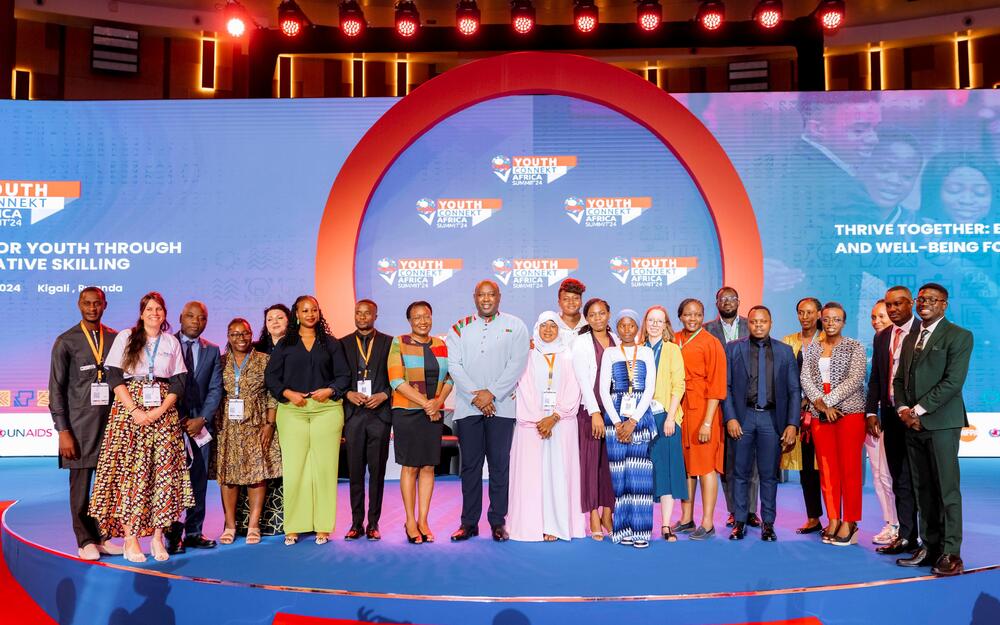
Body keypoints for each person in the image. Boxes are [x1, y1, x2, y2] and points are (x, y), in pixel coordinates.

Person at [88, 292, 192, 563]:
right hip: (129, 414)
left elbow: (179, 382)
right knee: (130, 475)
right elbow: (113, 375)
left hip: (163, 415)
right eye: (149, 309)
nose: (154, 313)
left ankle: (157, 538)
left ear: (165, 314)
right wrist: (134, 410)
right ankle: (130, 539)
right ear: (142, 312)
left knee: (162, 475)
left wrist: (159, 410)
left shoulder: (170, 342)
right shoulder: (126, 337)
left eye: (159, 309)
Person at [893, 283, 973, 576]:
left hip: (941, 423)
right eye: (921, 298)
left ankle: (951, 553)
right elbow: (899, 379)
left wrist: (918, 410)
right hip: (911, 424)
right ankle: (929, 546)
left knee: (946, 490)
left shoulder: (960, 336)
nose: (924, 302)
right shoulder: (911, 336)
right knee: (922, 488)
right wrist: (903, 410)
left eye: (931, 299)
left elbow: (953, 382)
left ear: (944, 304)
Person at [265, 295, 351, 545]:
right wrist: (288, 393)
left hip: (326, 410)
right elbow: (272, 378)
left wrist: (330, 390)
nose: (310, 314)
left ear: (319, 313)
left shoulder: (331, 343)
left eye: (314, 309)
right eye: (305, 310)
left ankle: (323, 526)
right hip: (293, 411)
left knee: (324, 469)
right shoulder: (285, 344)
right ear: (296, 314)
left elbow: (344, 376)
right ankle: (294, 526)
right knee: (296, 469)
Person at [448, 280, 529, 542]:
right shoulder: (459, 328)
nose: (486, 299)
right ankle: (468, 523)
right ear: (474, 297)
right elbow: (454, 366)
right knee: (470, 467)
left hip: (502, 407)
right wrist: (478, 396)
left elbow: (517, 364)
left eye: (491, 294)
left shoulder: (515, 325)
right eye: (481, 295)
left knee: (499, 466)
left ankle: (497, 521)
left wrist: (492, 393)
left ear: (499, 296)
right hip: (468, 407)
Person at [48, 287, 122, 560]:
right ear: (79, 305)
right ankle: (84, 540)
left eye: (97, 303)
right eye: (87, 303)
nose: (92, 308)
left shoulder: (115, 338)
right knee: (80, 487)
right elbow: (56, 389)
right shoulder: (66, 341)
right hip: (78, 426)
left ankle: (103, 536)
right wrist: (63, 431)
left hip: (111, 424)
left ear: (105, 305)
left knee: (107, 485)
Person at [508, 312, 587, 542]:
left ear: (559, 330)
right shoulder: (528, 357)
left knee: (558, 474)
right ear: (537, 329)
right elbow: (524, 389)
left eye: (553, 326)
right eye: (544, 326)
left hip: (561, 424)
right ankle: (533, 525)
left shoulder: (569, 356)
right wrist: (539, 419)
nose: (549, 330)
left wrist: (554, 416)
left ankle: (557, 525)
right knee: (534, 476)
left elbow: (575, 389)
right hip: (533, 426)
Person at [723, 306, 800, 542]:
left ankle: (768, 524)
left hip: (771, 418)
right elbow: (724, 387)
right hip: (743, 417)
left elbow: (794, 390)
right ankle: (739, 521)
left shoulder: (785, 351)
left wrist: (792, 424)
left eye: (763, 321)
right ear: (749, 324)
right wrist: (731, 418)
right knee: (740, 473)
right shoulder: (734, 348)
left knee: (768, 474)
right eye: (754, 321)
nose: (758, 325)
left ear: (770, 323)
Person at [800, 301, 868, 546]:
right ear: (821, 320)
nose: (831, 323)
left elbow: (855, 379)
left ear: (843, 322)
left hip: (849, 414)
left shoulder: (854, 347)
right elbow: (805, 378)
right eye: (827, 319)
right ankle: (833, 518)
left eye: (836, 319)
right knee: (827, 471)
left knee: (849, 469)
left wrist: (827, 402)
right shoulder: (813, 349)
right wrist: (821, 406)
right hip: (821, 417)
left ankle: (850, 522)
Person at [387, 301, 454, 544]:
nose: (422, 321)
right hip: (407, 412)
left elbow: (450, 377)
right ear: (409, 321)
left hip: (434, 413)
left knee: (428, 467)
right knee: (411, 466)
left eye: (426, 315)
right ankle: (410, 521)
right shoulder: (400, 342)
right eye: (417, 317)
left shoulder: (441, 344)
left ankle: (424, 520)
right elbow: (396, 380)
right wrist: (427, 403)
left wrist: (438, 402)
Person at [214, 318, 281, 546]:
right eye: (234, 334)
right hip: (228, 426)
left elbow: (272, 394)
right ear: (228, 337)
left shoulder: (265, 360)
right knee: (229, 476)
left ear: (251, 334)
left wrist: (269, 424)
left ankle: (254, 525)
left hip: (257, 423)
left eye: (244, 333)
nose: (240, 338)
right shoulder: (221, 362)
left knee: (256, 475)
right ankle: (230, 525)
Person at [867, 286, 921, 557]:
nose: (892, 309)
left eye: (898, 304)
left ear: (910, 304)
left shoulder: (923, 332)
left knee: (922, 479)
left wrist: (916, 411)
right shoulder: (883, 336)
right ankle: (907, 536)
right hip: (889, 414)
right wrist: (871, 411)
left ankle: (931, 540)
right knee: (899, 477)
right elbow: (876, 377)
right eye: (889, 305)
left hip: (918, 418)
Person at [166, 301, 223, 555]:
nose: (195, 321)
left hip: (200, 425)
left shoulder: (212, 350)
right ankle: (171, 533)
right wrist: (174, 418)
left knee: (198, 479)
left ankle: (194, 532)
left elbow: (215, 389)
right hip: (169, 423)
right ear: (180, 318)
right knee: (170, 481)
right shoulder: (165, 345)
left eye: (201, 318)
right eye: (190, 316)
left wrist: (202, 418)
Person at [599, 309, 657, 548]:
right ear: (617, 328)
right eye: (621, 325)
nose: (626, 330)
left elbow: (649, 389)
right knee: (619, 477)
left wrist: (632, 421)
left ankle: (641, 532)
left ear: (637, 328)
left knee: (639, 476)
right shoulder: (610, 353)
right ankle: (622, 530)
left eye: (631, 325)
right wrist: (617, 423)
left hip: (640, 419)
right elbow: (604, 390)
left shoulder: (645, 352)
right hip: (615, 418)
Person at [671, 298, 727, 540]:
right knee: (686, 466)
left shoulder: (711, 343)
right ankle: (686, 518)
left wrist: (707, 421)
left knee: (705, 466)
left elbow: (716, 385)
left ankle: (707, 522)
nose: (692, 318)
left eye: (697, 314)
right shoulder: (674, 338)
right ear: (680, 316)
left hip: (704, 410)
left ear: (703, 316)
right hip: (679, 408)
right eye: (688, 314)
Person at [704, 286, 759, 529]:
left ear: (739, 301)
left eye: (732, 298)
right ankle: (733, 510)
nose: (728, 302)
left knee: (752, 461)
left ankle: (750, 511)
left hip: (748, 401)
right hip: (717, 401)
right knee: (727, 461)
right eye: (723, 299)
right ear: (716, 303)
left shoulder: (753, 325)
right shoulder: (706, 329)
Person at [339, 299, 393, 541]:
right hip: (353, 415)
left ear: (376, 314)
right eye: (358, 313)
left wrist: (384, 395)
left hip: (379, 415)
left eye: (367, 313)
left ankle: (373, 523)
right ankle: (355, 523)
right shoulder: (342, 344)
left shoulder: (390, 343)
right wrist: (347, 393)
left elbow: (398, 378)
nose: (362, 317)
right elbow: (336, 379)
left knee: (377, 472)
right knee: (356, 472)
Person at [238, 303, 290, 537]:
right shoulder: (256, 350)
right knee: (257, 470)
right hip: (258, 419)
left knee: (284, 469)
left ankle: (283, 521)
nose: (275, 322)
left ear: (290, 321)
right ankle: (254, 523)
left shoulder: (298, 346)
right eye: (270, 319)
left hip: (289, 412)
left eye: (280, 317)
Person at [638, 306, 686, 542]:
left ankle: (666, 525)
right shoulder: (636, 350)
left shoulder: (672, 350)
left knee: (666, 472)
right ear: (645, 323)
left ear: (666, 324)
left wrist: (670, 417)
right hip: (639, 417)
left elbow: (679, 385)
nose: (655, 324)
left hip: (665, 417)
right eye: (651, 320)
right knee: (643, 472)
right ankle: (641, 523)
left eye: (660, 321)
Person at [570, 298, 616, 540]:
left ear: (609, 314)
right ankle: (594, 517)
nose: (598, 318)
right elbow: (583, 381)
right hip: (590, 413)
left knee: (610, 466)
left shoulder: (617, 340)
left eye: (602, 313)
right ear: (586, 318)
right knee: (590, 466)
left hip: (614, 413)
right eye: (593, 315)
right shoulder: (581, 342)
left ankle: (609, 513)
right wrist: (595, 412)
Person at [780, 297, 826, 535]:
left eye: (810, 312)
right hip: (799, 415)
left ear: (819, 314)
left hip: (826, 413)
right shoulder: (788, 341)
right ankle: (813, 517)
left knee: (828, 468)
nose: (805, 317)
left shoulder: (829, 340)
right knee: (807, 468)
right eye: (801, 312)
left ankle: (839, 519)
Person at [865, 298, 899, 546]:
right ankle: (891, 523)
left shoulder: (903, 342)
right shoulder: (874, 344)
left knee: (893, 475)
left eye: (882, 316)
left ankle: (905, 525)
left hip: (897, 419)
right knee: (878, 475)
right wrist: (870, 413)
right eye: (874, 317)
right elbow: (873, 383)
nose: (877, 321)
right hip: (873, 419)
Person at [554, 278, 587, 345]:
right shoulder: (550, 323)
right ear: (559, 303)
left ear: (581, 302)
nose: (571, 302)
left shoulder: (590, 323)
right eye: (566, 299)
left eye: (575, 298)